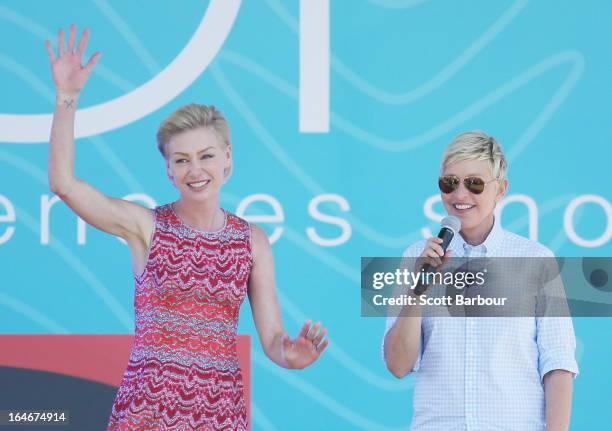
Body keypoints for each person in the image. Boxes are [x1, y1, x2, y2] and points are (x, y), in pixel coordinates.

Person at [45, 25, 329, 431]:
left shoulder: (253, 242)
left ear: (227, 158)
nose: (196, 170)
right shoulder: (146, 226)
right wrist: (67, 97)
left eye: (206, 156)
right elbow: (64, 184)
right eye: (181, 160)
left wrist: (292, 355)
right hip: (146, 416)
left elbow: (272, 341)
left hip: (221, 418)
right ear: (168, 169)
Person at [382, 131, 578, 430]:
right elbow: (398, 365)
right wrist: (418, 291)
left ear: (500, 190)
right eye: (450, 183)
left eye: (474, 184)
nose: (460, 196)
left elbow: (558, 365)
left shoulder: (536, 260)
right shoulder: (416, 258)